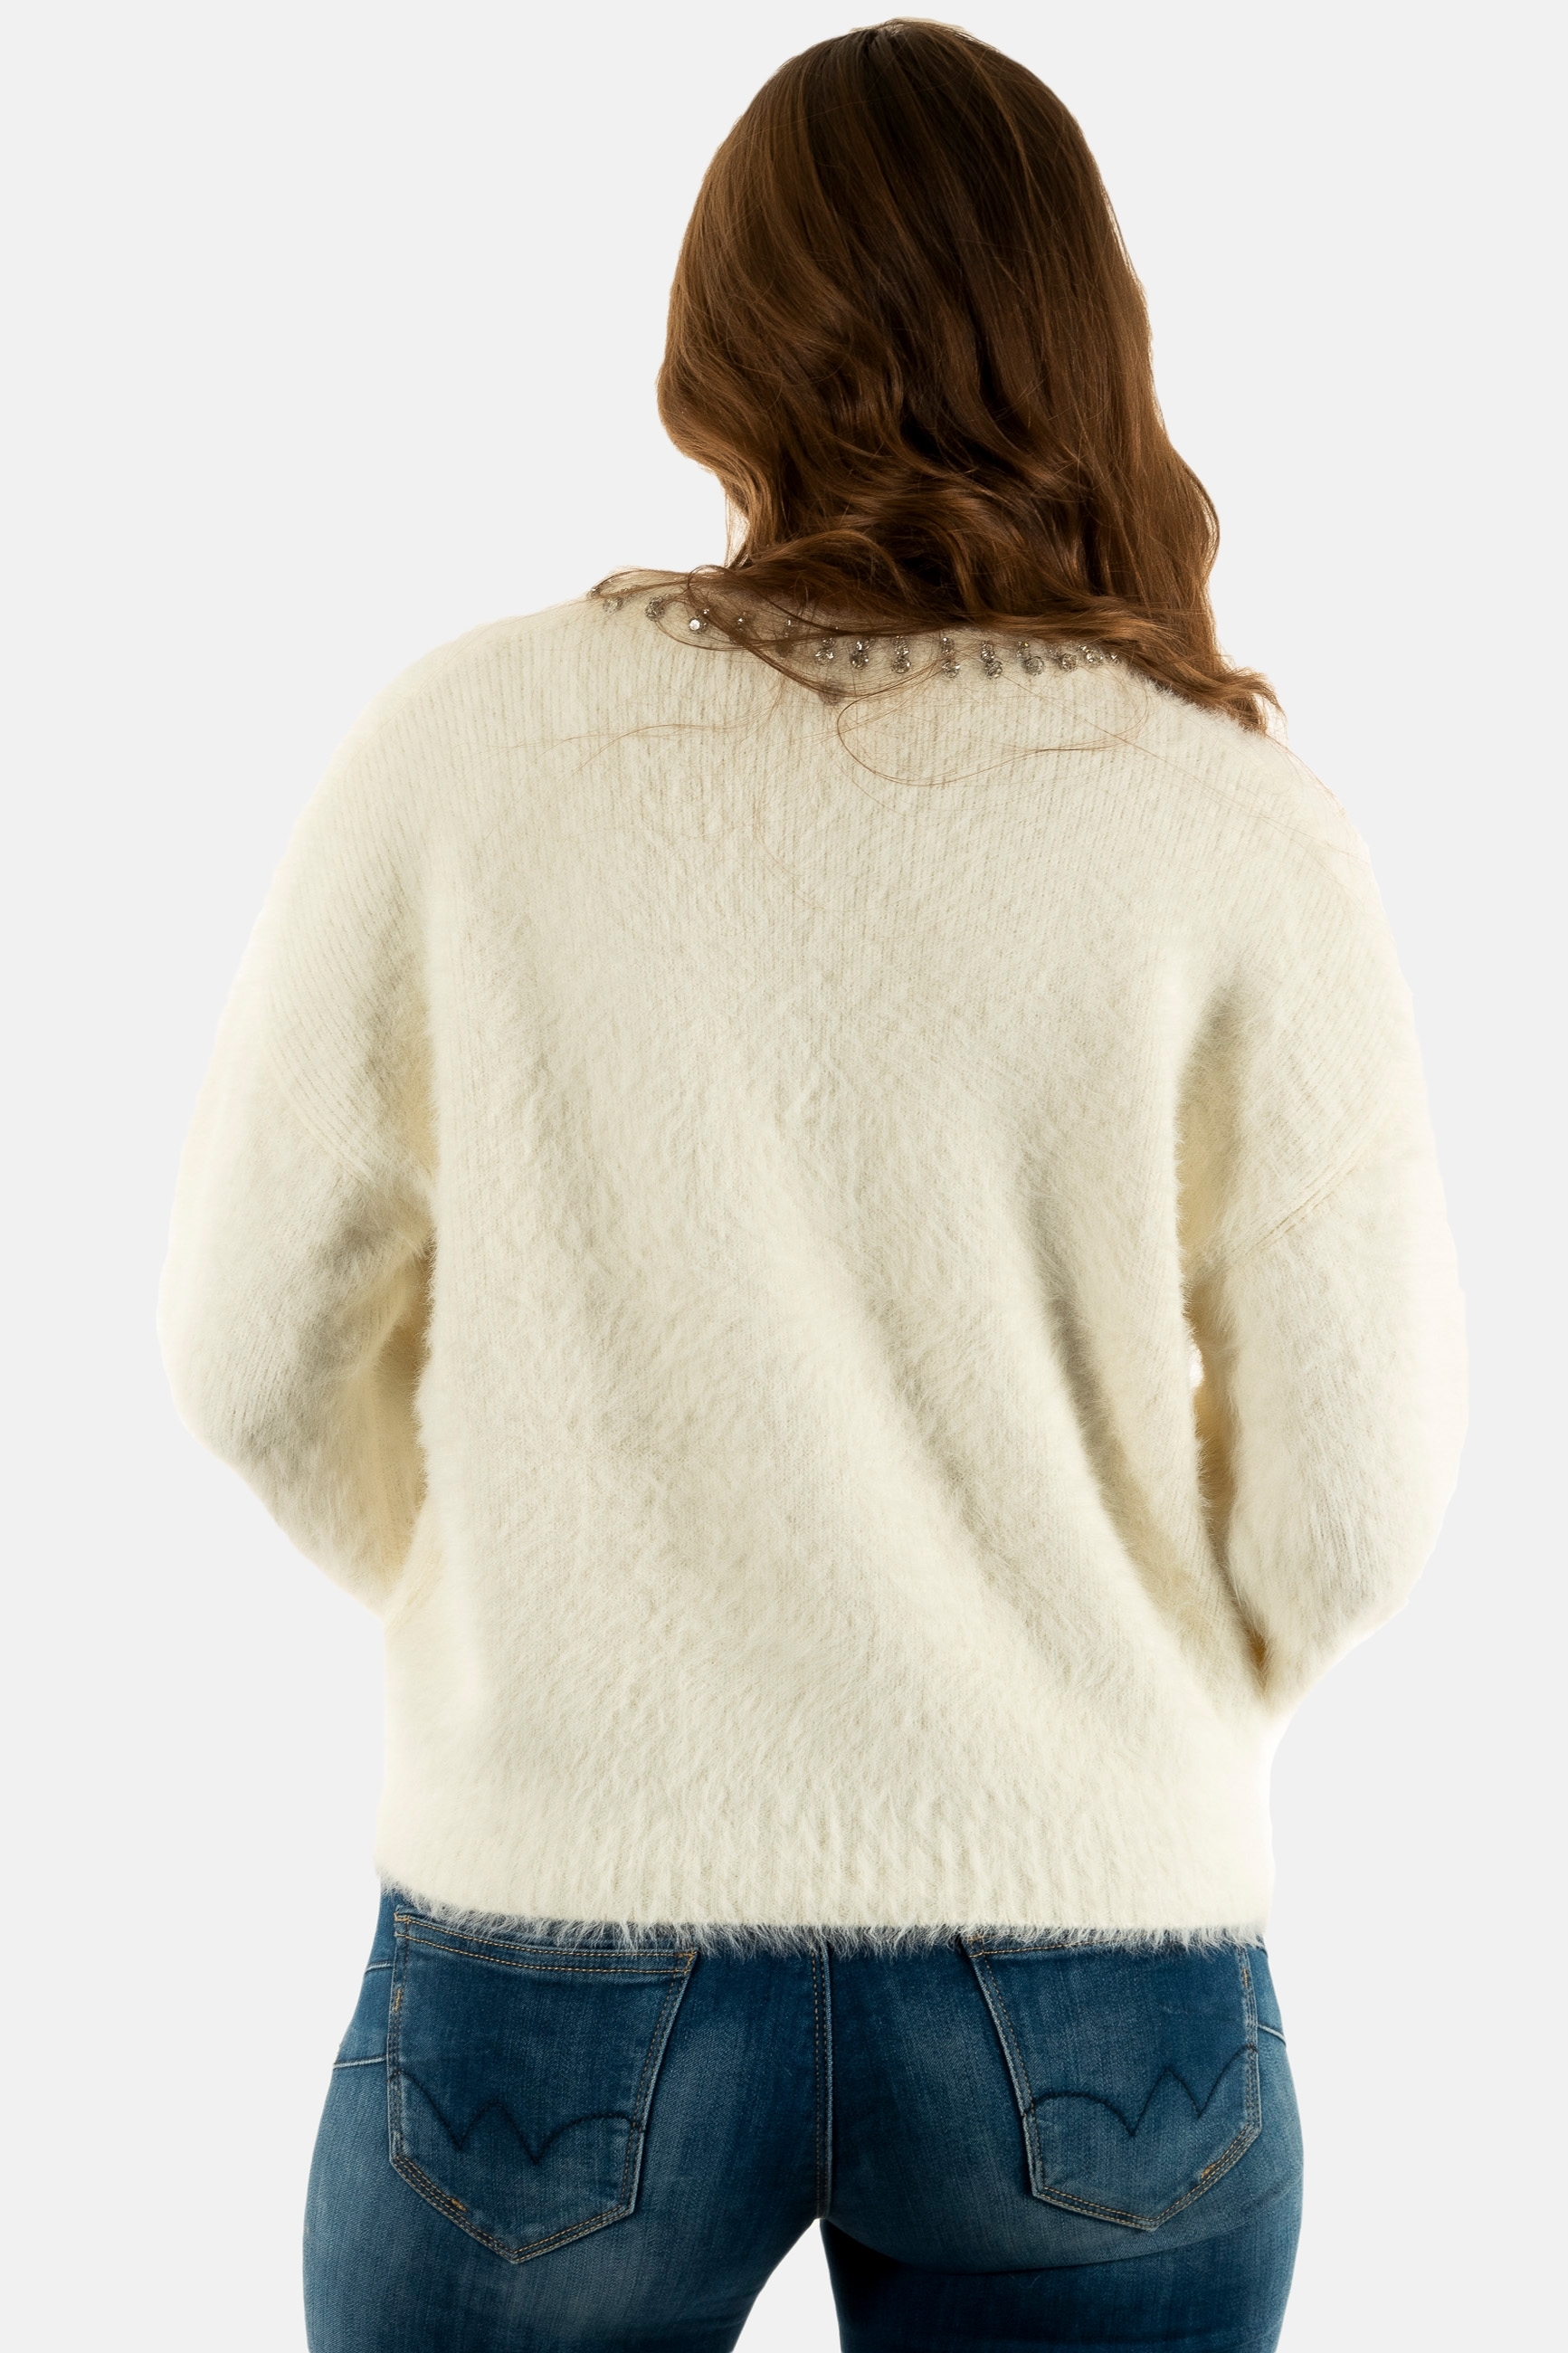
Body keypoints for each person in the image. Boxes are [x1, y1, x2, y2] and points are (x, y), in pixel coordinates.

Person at [159, 20, 1467, 2351]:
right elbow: (1356, 1509)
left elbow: (251, 1351)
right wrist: (1125, 1705)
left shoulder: (465, 754)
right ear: (1089, 330)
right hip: (1098, 1973)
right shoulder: (1234, 820)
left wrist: (524, 1613)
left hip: (556, 1937)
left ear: (714, 340)